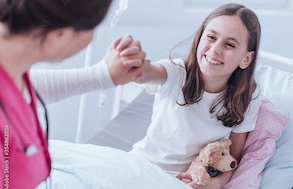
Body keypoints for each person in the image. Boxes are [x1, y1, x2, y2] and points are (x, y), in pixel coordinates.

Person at [0, 0, 147, 188]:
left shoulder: (12, 65)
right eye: (90, 29)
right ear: (58, 35)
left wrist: (102, 75)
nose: (91, 37)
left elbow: (20, 92)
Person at [128, 3, 263, 189]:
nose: (215, 49)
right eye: (211, 37)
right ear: (200, 38)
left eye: (229, 44)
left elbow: (232, 159)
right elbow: (150, 72)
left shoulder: (249, 98)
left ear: (246, 59)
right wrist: (138, 67)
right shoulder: (176, 72)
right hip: (140, 167)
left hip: (185, 182)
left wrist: (212, 185)